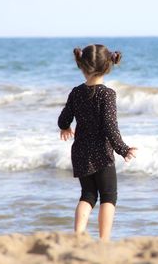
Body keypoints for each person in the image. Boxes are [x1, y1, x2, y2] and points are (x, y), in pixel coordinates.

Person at [57, 44, 137, 241]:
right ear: (108, 66)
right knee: (109, 196)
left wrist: (66, 127)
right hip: (101, 153)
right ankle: (104, 240)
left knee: (88, 195)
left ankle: (78, 236)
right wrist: (123, 149)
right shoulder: (107, 94)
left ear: (82, 66)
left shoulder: (76, 92)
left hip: (81, 151)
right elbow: (110, 127)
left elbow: (63, 119)